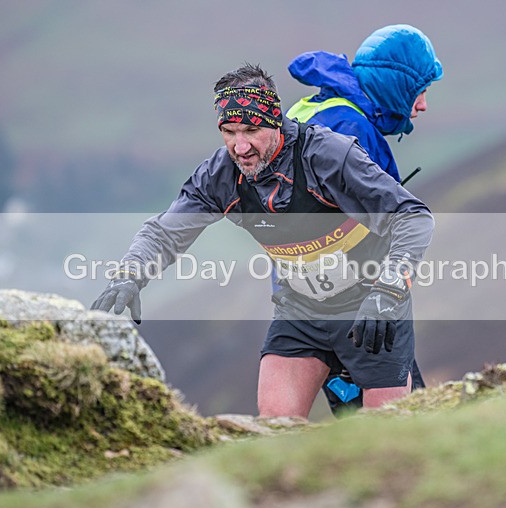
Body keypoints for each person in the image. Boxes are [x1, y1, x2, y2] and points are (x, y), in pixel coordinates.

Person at [92, 63, 434, 418]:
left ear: (275, 122)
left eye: (251, 130)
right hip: (300, 312)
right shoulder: (221, 175)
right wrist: (129, 275)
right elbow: (164, 232)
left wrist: (390, 288)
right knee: (275, 427)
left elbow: (413, 217)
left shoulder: (326, 156)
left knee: (388, 430)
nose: (240, 147)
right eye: (228, 131)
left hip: (370, 309)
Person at [286, 24, 444, 413]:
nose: (423, 105)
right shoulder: (349, 127)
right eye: (419, 90)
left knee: (358, 421)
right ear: (395, 84)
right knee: (404, 422)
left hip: (310, 295)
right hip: (354, 301)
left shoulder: (320, 109)